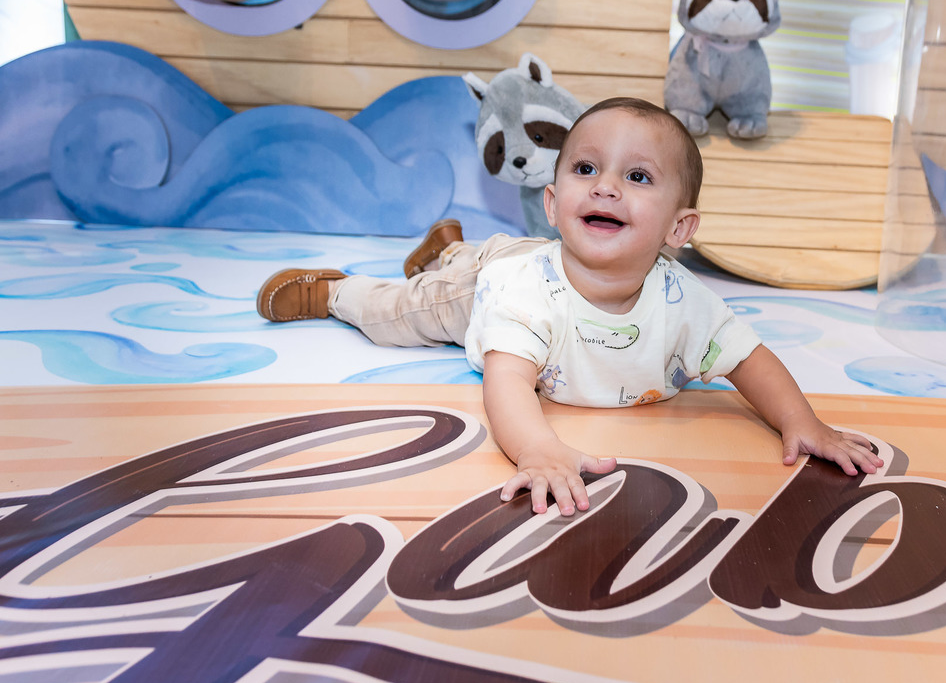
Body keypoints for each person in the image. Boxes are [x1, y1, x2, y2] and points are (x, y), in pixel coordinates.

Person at [256, 97, 883, 516]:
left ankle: (447, 247)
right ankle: (336, 290)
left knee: (448, 271)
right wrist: (537, 447)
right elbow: (507, 382)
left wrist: (803, 421)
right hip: (485, 284)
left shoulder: (681, 303)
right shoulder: (526, 294)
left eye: (637, 178)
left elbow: (750, 359)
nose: (606, 185)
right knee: (406, 314)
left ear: (678, 228)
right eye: (587, 168)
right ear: (555, 204)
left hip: (522, 260)